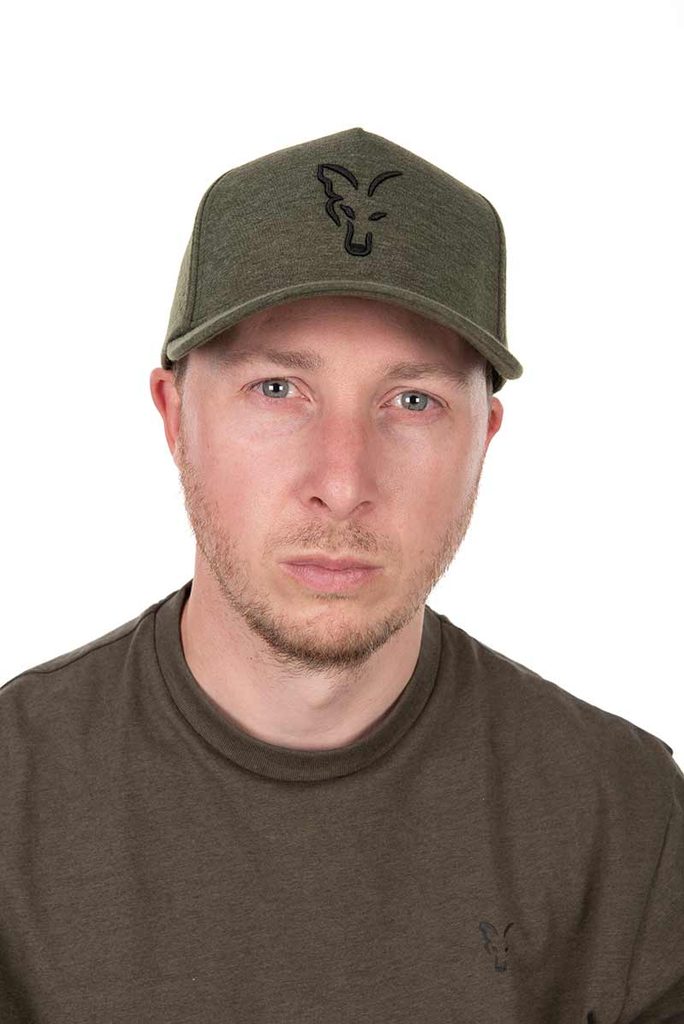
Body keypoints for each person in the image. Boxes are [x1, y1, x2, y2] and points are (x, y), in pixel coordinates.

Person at [1, 127, 681, 1024]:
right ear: (174, 416)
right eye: (278, 389)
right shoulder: (12, 801)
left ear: (483, 439)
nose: (343, 481)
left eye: (413, 401)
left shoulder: (625, 821)